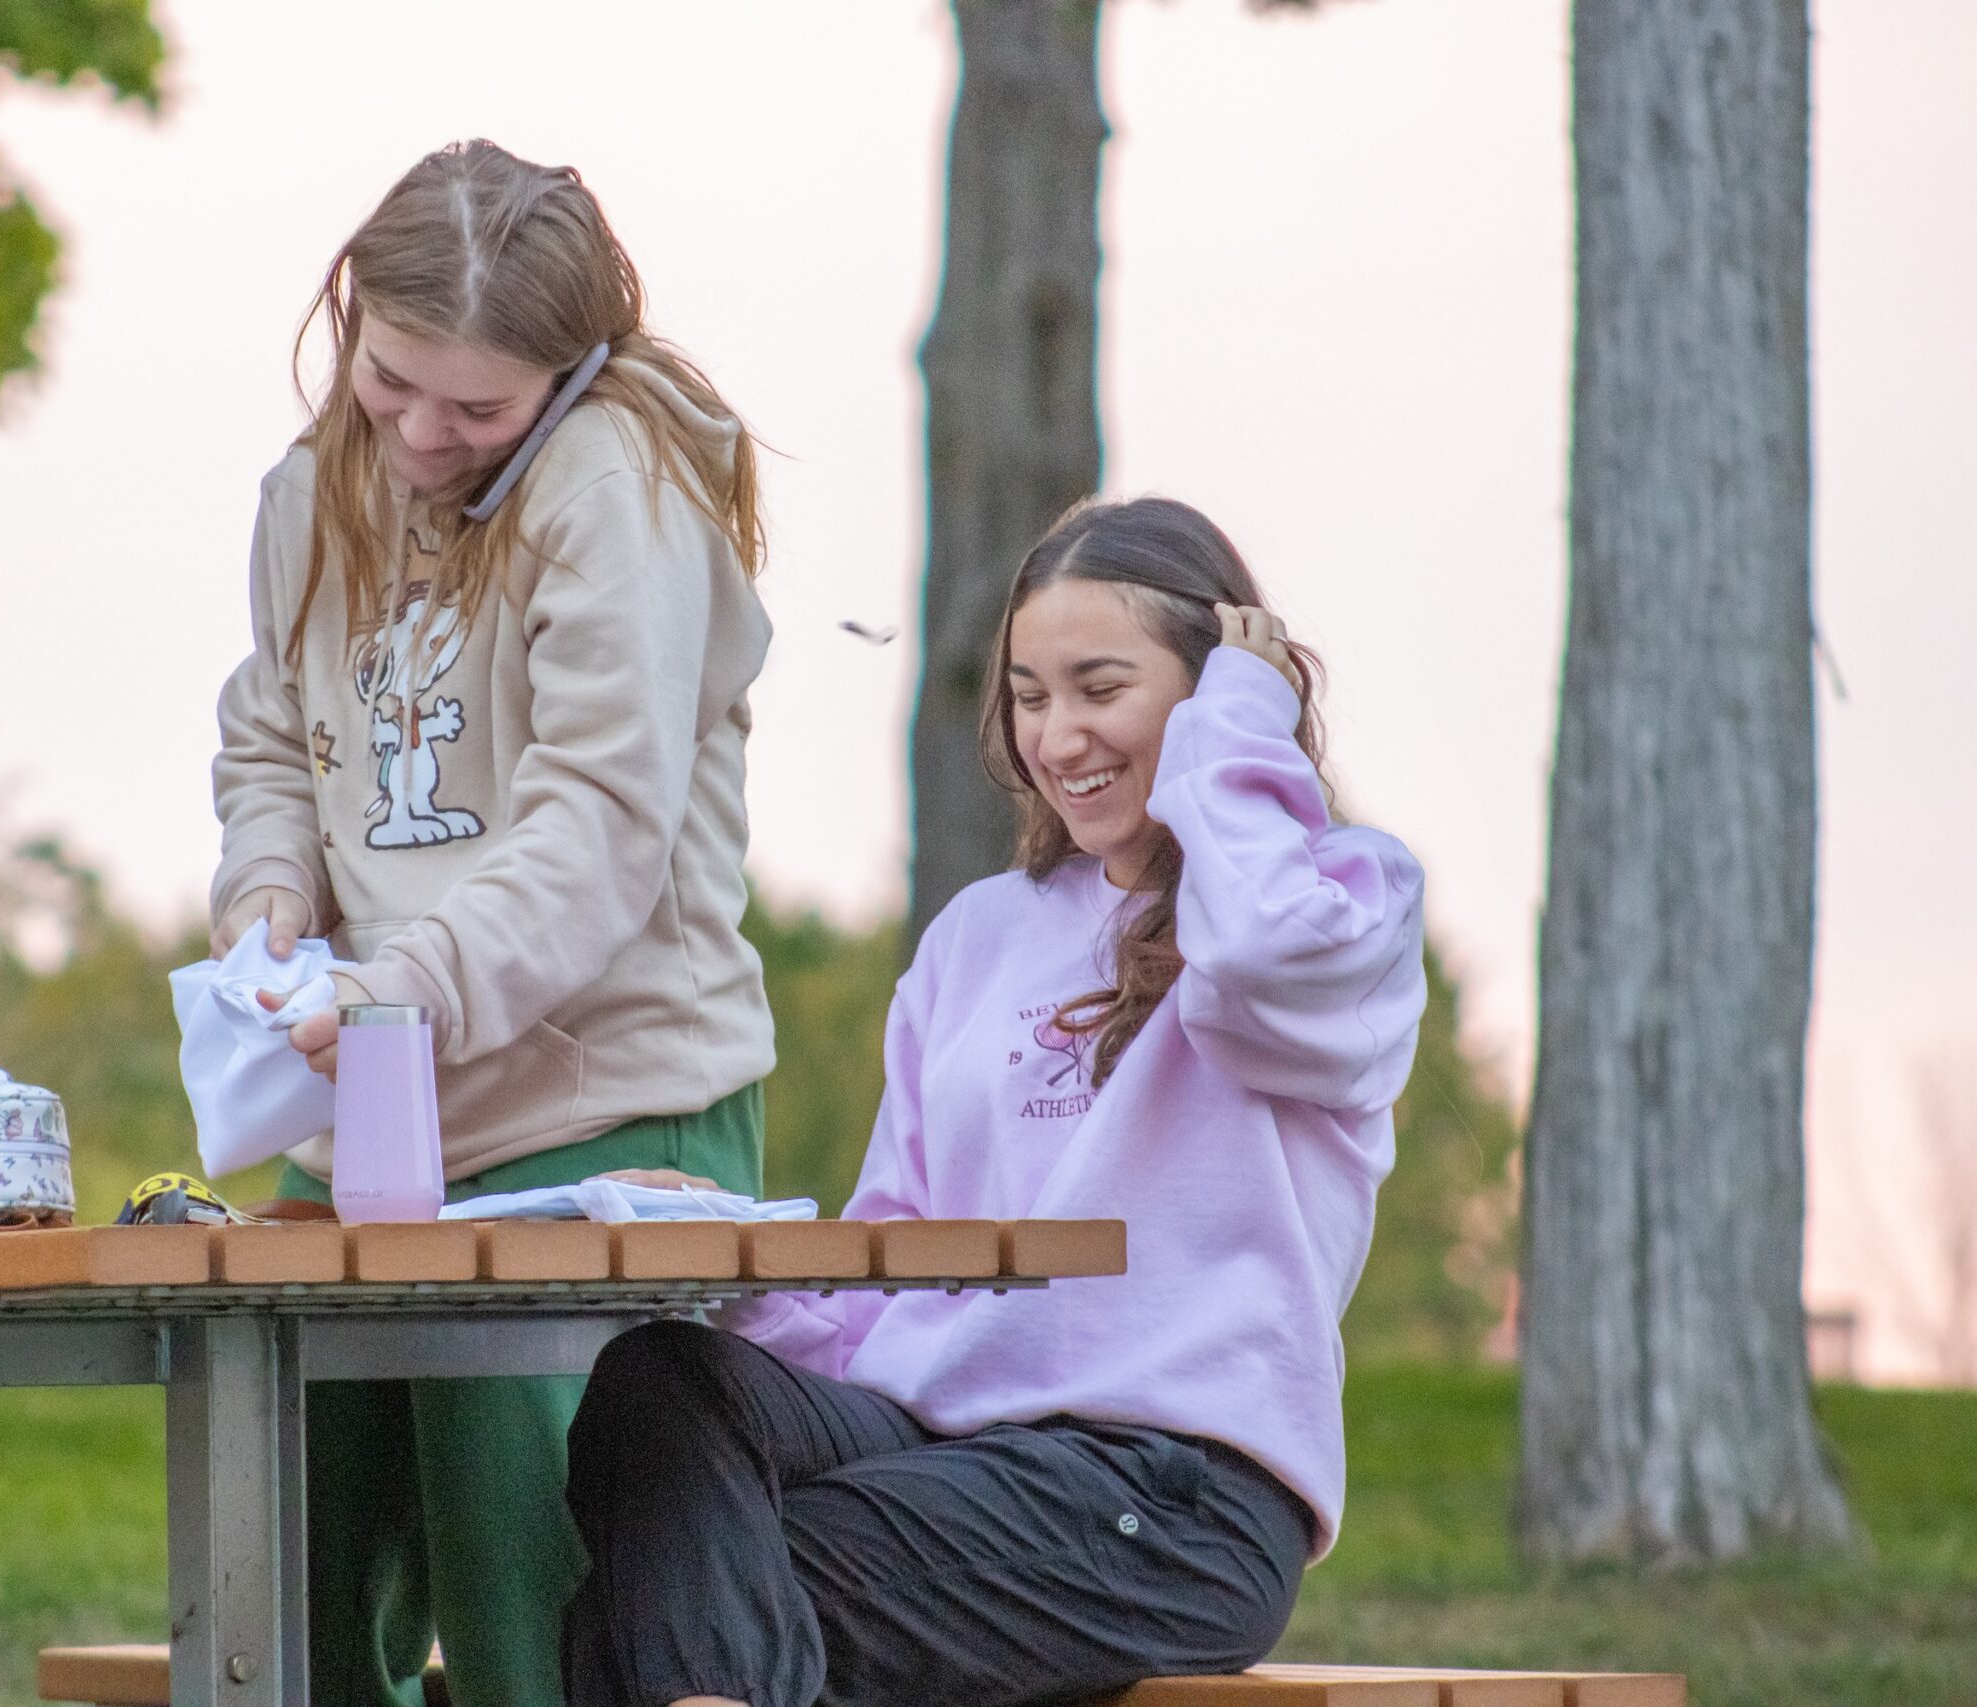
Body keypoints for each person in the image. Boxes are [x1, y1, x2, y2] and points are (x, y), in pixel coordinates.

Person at [561, 497, 1428, 1707]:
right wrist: (733, 1257)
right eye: (1029, 696)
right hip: (947, 1447)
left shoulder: (1342, 904)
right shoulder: (979, 938)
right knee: (662, 1384)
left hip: (1171, 1490)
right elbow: (898, 1269)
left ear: (1212, 696)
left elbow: (1256, 959)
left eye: (1100, 687)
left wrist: (1237, 729)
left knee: (655, 1606)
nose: (1060, 736)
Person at [207, 140, 775, 1707]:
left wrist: (402, 988)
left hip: (600, 1111)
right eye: (394, 382)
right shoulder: (311, 487)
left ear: (573, 369)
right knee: (287, 1562)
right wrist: (271, 901)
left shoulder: (623, 487)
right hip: (364, 1114)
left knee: (540, 1599)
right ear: (351, 319)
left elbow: (598, 823)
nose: (422, 434)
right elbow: (271, 737)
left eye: (478, 408)